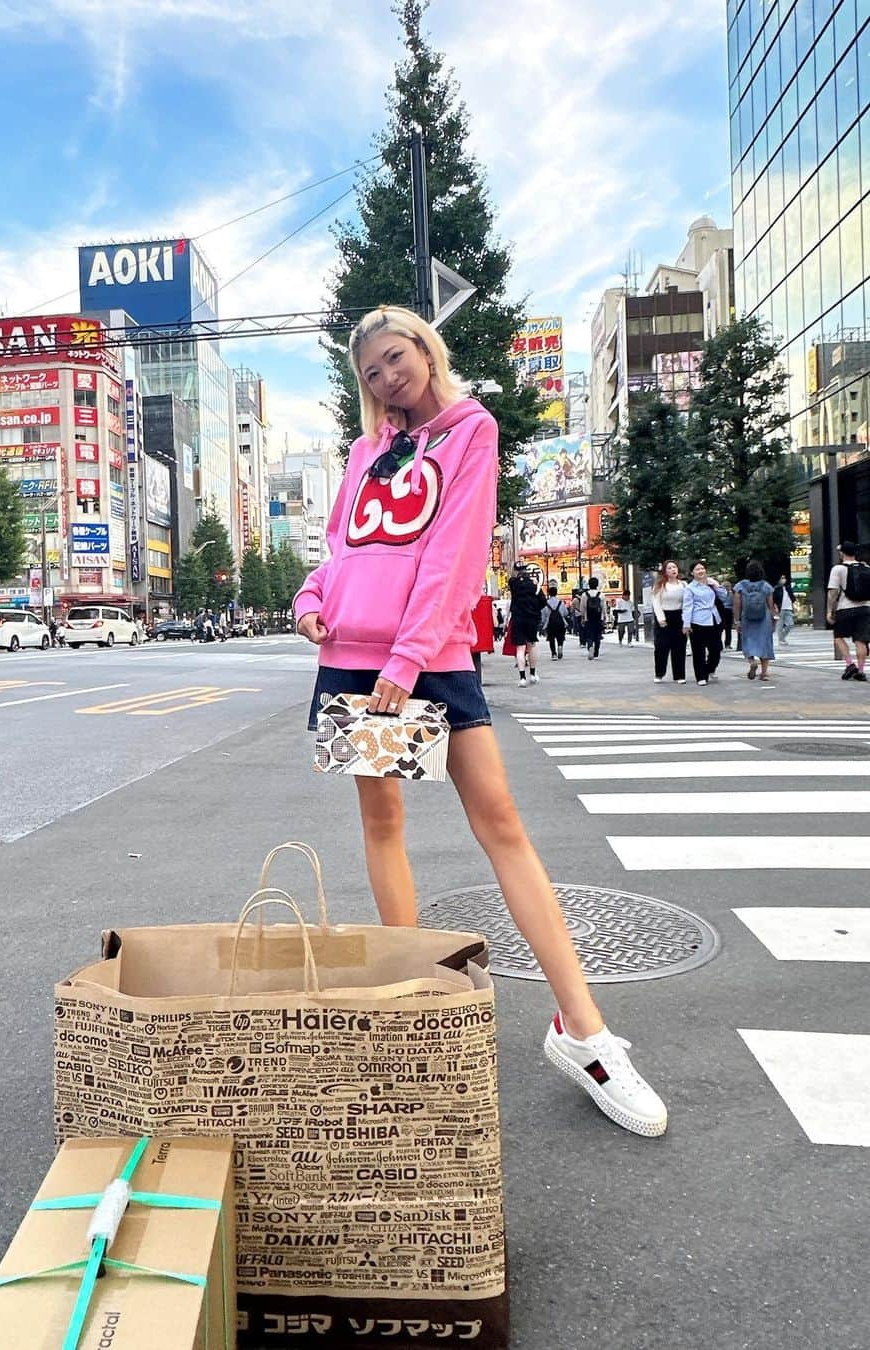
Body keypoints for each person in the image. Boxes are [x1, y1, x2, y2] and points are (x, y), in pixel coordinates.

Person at [294, 303, 666, 1137]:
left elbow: (456, 552)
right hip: (351, 657)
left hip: (424, 658)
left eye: (397, 358)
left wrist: (407, 659)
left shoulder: (470, 430)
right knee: (382, 822)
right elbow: (339, 549)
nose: (388, 379)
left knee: (500, 821)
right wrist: (311, 598)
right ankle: (413, 1010)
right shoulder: (365, 451)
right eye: (372, 373)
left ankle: (586, 1033)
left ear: (426, 350)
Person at [827, 540, 870, 682]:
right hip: (864, 608)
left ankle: (850, 664)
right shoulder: (865, 567)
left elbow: (833, 592)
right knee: (861, 640)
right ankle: (861, 670)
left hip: (845, 608)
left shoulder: (838, 569)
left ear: (841, 553)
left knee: (838, 637)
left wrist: (829, 611)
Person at [734, 559, 777, 682]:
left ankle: (752, 661)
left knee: (748, 642)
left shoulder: (740, 586)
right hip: (764, 619)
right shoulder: (766, 586)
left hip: (747, 618)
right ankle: (764, 673)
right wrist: (774, 619)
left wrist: (737, 620)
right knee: (765, 644)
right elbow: (770, 604)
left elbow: (737, 605)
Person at [682, 561, 723, 685]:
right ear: (692, 573)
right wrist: (686, 624)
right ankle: (701, 676)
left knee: (716, 649)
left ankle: (709, 669)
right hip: (698, 621)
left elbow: (724, 596)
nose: (701, 571)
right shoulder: (690, 588)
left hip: (714, 619)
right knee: (698, 650)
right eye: (697, 569)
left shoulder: (710, 584)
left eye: (702, 568)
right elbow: (687, 606)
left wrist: (716, 585)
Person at [651, 560, 687, 683]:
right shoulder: (660, 585)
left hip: (679, 616)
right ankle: (659, 673)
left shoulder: (683, 585)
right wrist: (661, 618)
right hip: (664, 616)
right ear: (665, 571)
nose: (673, 570)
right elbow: (656, 602)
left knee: (679, 647)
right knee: (661, 647)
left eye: (675, 567)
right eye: (670, 568)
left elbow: (687, 602)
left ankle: (679, 675)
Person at [508, 561, 543, 685]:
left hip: (518, 619)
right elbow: (543, 602)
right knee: (532, 645)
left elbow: (513, 579)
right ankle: (533, 674)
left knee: (520, 649)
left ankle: (522, 678)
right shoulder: (535, 586)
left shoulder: (512, 583)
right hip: (531, 619)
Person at [540, 584, 568, 660]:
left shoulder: (546, 603)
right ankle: (560, 646)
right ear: (556, 593)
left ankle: (554, 654)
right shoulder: (561, 603)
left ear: (549, 593)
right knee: (560, 637)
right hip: (560, 622)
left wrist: (543, 623)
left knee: (551, 638)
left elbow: (543, 615)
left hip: (550, 623)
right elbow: (566, 613)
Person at [582, 577, 607, 659]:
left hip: (588, 618)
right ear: (597, 585)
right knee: (598, 636)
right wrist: (604, 618)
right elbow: (604, 608)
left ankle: (590, 647)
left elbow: (583, 608)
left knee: (589, 635)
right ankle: (596, 652)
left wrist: (583, 618)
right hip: (598, 618)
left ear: (589, 585)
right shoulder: (601, 595)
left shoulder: (584, 595)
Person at [772, 575, 795, 645]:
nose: (783, 580)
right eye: (782, 578)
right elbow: (774, 600)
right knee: (780, 625)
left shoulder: (788, 588)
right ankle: (781, 640)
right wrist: (775, 608)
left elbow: (792, 598)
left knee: (790, 624)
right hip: (780, 608)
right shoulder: (776, 588)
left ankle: (782, 637)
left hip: (788, 608)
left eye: (784, 578)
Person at [714, 576, 735, 648]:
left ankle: (724, 644)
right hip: (725, 611)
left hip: (725, 611)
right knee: (724, 629)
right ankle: (724, 644)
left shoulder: (728, 594)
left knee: (724, 629)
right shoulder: (727, 593)